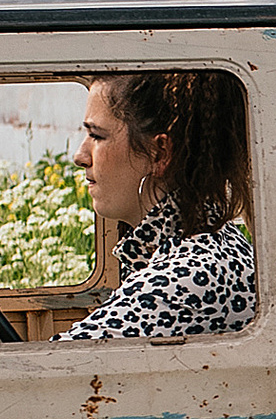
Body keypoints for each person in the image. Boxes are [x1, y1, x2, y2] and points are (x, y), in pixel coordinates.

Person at [65, 71, 257, 344]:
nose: (80, 156)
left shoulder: (185, 280)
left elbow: (47, 371)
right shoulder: (214, 242)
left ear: (159, 154)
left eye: (97, 135)